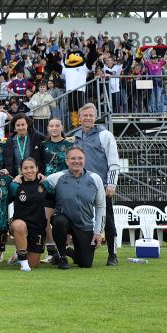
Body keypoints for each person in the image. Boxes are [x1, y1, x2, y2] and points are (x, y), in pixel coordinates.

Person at [71, 103, 120, 266]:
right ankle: (81, 251)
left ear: (95, 117)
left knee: (108, 220)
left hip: (102, 186)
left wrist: (111, 184)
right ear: (79, 117)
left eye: (91, 115)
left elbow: (113, 162)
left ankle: (112, 254)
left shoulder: (105, 135)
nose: (88, 118)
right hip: (81, 186)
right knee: (81, 219)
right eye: (85, 115)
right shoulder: (76, 137)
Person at [44, 147, 106, 270]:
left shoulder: (95, 179)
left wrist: (98, 232)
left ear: (85, 160)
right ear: (67, 161)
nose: (76, 161)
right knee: (59, 221)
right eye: (73, 158)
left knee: (85, 263)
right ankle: (62, 257)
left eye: (80, 158)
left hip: (84, 224)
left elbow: (100, 206)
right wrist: (19, 179)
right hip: (63, 219)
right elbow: (36, 185)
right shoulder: (55, 178)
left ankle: (67, 251)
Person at [34, 117, 73, 262]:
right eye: (52, 126)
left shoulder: (69, 144)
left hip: (66, 186)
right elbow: (38, 165)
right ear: (48, 128)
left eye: (57, 125)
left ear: (61, 127)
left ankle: (64, 249)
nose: (54, 128)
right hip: (48, 187)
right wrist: (41, 176)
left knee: (66, 218)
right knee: (45, 219)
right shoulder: (43, 145)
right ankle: (51, 251)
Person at [9, 157, 55, 272]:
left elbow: (55, 196)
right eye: (25, 168)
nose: (29, 170)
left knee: (34, 264)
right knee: (19, 226)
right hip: (20, 224)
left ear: (37, 168)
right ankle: (22, 259)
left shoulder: (44, 184)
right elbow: (4, 201)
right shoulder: (15, 185)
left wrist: (45, 181)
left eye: (32, 167)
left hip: (38, 226)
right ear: (21, 170)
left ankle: (18, 255)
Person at [2, 114, 45, 178]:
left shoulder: (38, 138)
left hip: (34, 177)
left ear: (27, 125)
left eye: (23, 125)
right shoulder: (10, 141)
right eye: (18, 125)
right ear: (14, 127)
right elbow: (8, 162)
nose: (21, 127)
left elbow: (43, 159)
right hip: (16, 178)